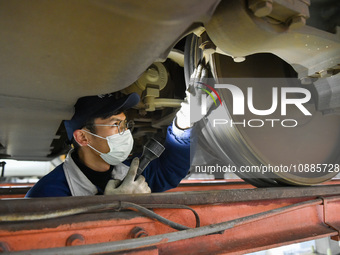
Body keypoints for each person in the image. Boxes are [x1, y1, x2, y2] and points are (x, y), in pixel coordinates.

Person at [26, 64, 210, 197]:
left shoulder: (130, 168)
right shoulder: (46, 195)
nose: (125, 132)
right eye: (115, 125)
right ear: (83, 137)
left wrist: (184, 124)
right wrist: (117, 206)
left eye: (124, 124)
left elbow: (169, 172)